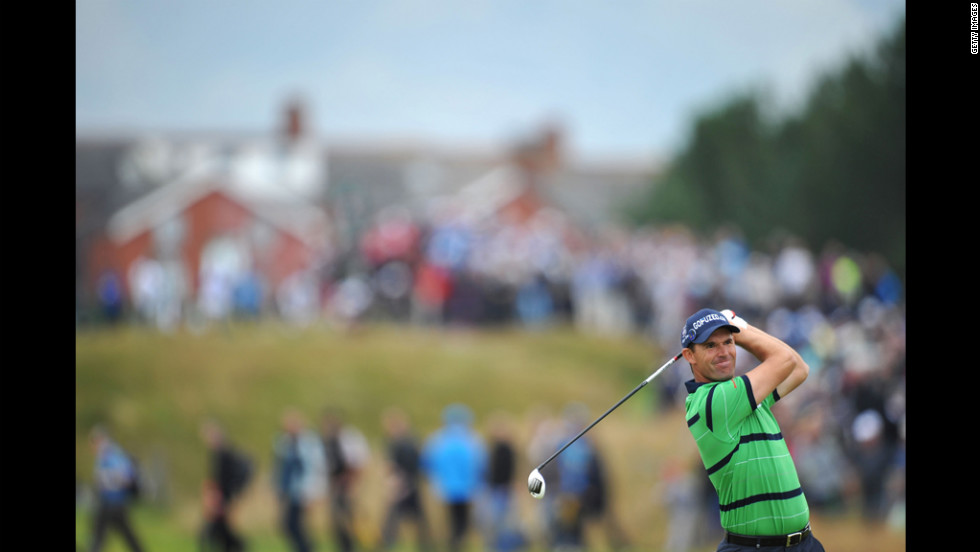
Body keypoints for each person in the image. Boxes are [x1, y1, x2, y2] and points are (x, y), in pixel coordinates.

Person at [680, 308, 825, 551]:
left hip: (804, 544)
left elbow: (799, 368)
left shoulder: (744, 397)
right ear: (689, 355)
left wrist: (738, 327)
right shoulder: (712, 402)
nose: (724, 352)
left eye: (728, 341)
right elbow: (785, 359)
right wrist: (741, 330)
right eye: (710, 346)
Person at [421, 403, 487, 552]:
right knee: (462, 518)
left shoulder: (437, 439)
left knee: (451, 517)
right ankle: (459, 541)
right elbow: (482, 464)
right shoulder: (473, 440)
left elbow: (426, 463)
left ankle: (454, 542)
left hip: (445, 487)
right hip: (467, 487)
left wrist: (434, 479)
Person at [379, 407, 432, 552]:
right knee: (417, 517)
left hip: (402, 483)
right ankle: (425, 544)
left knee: (394, 516)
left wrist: (392, 483)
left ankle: (387, 543)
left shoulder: (396, 443)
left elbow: (391, 465)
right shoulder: (414, 440)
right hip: (413, 482)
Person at [273, 408, 326, 552]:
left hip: (304, 490)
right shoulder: (283, 442)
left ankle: (306, 548)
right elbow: (281, 468)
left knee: (296, 524)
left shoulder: (310, 442)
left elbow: (317, 468)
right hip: (290, 490)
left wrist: (313, 493)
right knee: (288, 525)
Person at [87, 425, 145, 552]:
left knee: (115, 532)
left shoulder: (112, 454)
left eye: (95, 441)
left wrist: (109, 483)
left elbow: (126, 476)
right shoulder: (104, 456)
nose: (93, 445)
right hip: (108, 502)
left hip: (115, 502)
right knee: (103, 532)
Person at [321, 408, 370, 552]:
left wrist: (353, 484)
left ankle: (365, 545)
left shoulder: (349, 439)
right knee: (337, 521)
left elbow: (359, 463)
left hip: (348, 485)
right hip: (336, 486)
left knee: (353, 520)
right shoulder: (328, 441)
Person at [200, 419, 253, 552]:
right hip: (225, 495)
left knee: (214, 529)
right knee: (220, 528)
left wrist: (216, 496)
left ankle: (239, 546)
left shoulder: (223, 454)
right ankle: (236, 546)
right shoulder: (222, 452)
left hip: (224, 495)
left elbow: (221, 478)